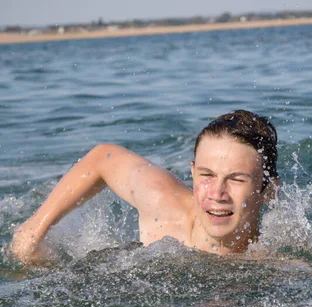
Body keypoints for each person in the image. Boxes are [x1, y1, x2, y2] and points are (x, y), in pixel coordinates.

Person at [11, 109, 279, 264]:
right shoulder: (164, 206)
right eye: (206, 175)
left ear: (269, 192)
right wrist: (33, 231)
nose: (217, 193)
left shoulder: (273, 266)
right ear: (192, 173)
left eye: (236, 179)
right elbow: (103, 157)